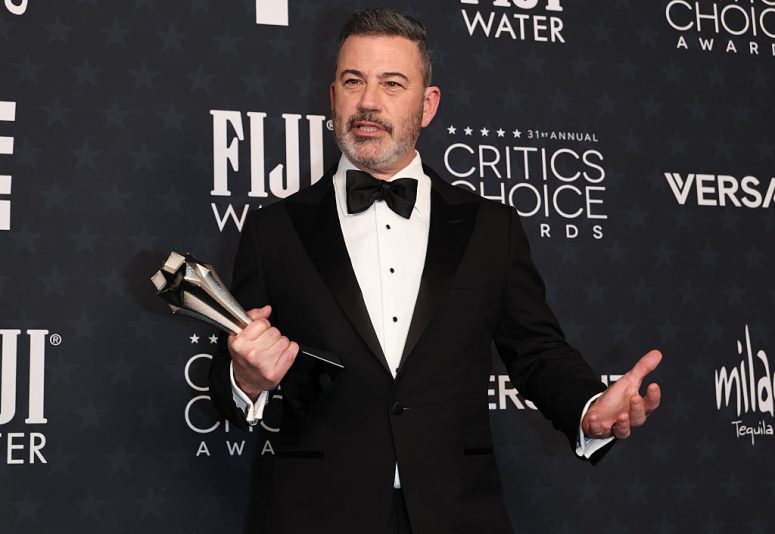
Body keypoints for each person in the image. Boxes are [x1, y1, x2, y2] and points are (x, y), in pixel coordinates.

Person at [209, 8, 661, 534]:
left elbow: (536, 351)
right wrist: (244, 377)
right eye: (353, 81)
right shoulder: (273, 231)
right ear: (333, 98)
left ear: (428, 106)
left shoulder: (491, 228)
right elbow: (225, 381)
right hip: (317, 515)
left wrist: (586, 407)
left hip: (459, 514)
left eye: (392, 83)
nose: (369, 102)